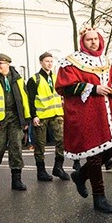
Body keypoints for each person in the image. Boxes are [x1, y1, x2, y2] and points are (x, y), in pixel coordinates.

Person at [56, 27, 112, 213]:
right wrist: (93, 89)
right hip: (86, 114)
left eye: (96, 39)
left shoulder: (106, 61)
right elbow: (65, 87)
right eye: (89, 40)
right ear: (82, 42)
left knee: (107, 151)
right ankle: (99, 197)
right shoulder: (71, 62)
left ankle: (80, 176)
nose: (93, 42)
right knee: (95, 156)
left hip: (106, 113)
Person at [0, 53, 30, 191]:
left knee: (16, 148)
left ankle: (16, 180)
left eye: (0, 63)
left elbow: (25, 100)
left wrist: (26, 119)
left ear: (8, 64)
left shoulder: (18, 79)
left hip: (15, 117)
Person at [25, 52, 70, 181]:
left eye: (51, 61)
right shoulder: (34, 79)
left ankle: (58, 167)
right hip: (41, 116)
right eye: (46, 61)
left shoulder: (56, 78)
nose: (49, 64)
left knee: (62, 140)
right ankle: (41, 171)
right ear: (41, 63)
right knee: (40, 145)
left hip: (57, 114)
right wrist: (33, 116)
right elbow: (30, 99)